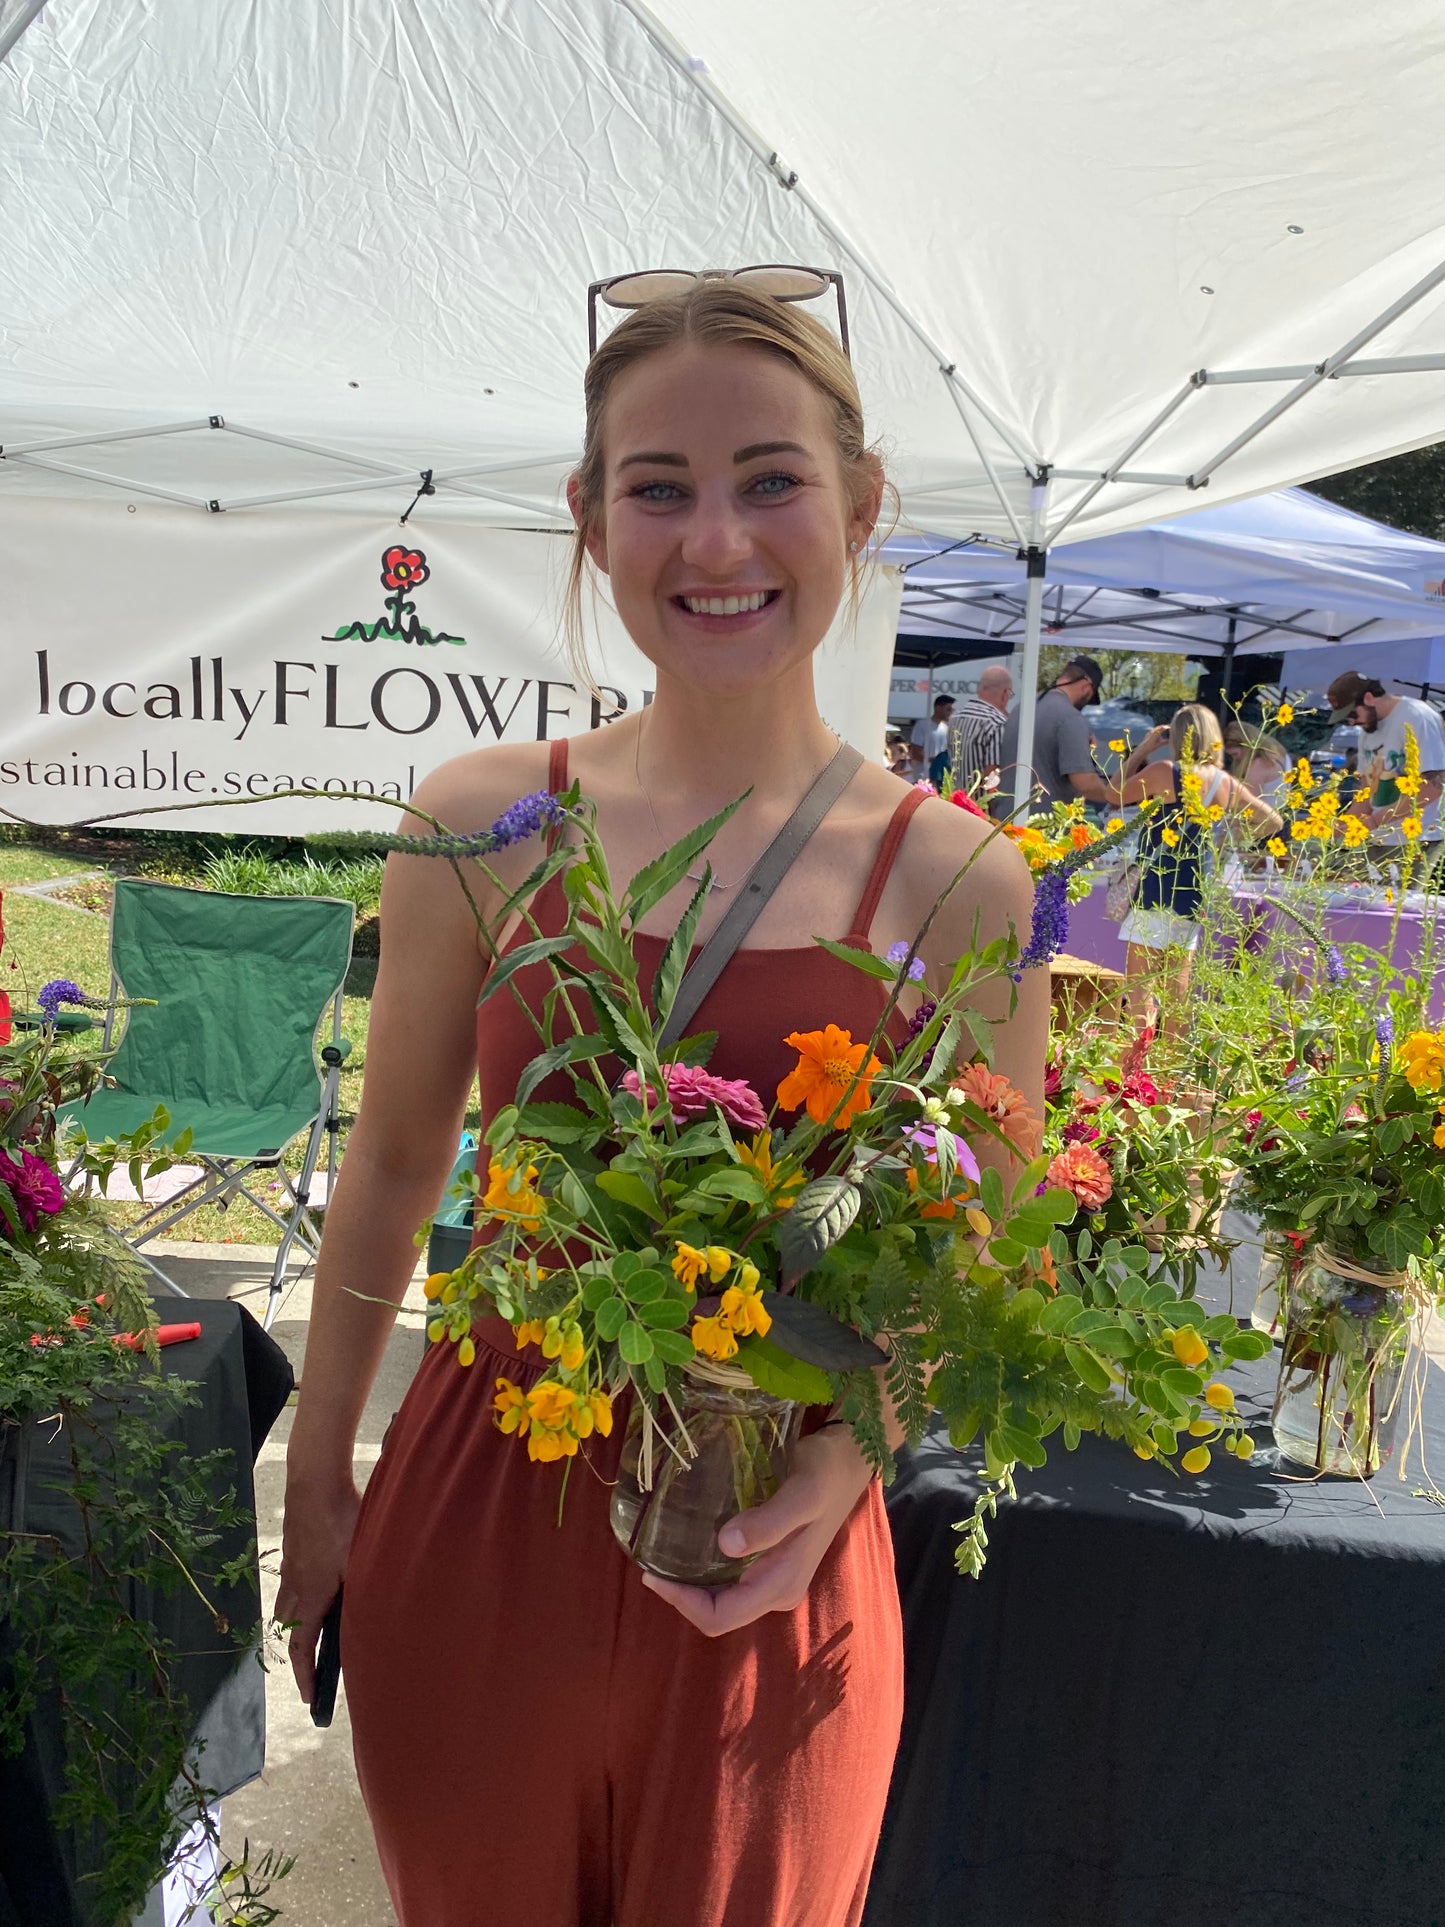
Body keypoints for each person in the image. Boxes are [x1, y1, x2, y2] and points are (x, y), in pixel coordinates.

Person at [275, 278, 1045, 1927]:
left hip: (772, 1551)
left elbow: (990, 1262)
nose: (715, 542)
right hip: (484, 1511)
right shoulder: (478, 823)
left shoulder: (963, 882)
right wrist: (322, 1478)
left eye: (769, 479)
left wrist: (848, 1456)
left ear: (860, 504)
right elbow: (399, 1160)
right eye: (659, 487)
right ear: (587, 516)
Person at [1117, 703, 1282, 1032]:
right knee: (1178, 990)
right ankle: (1172, 1064)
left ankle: (1137, 1066)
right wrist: (1228, 836)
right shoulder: (1225, 781)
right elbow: (1273, 820)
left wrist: (1142, 750)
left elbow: (1114, 793)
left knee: (1140, 989)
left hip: (1157, 884)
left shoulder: (1166, 770)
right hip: (1193, 889)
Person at [1327, 671, 1445, 859]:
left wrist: (1374, 821)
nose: (1352, 722)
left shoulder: (1417, 716)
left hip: (1417, 840)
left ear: (1369, 698)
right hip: (1379, 838)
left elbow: (1433, 787)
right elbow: (1366, 790)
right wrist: (1341, 826)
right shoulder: (1367, 731)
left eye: (1351, 713)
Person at [996, 654, 1113, 811]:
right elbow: (1085, 782)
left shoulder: (1021, 708)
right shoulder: (1070, 717)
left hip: (1006, 818)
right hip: (1043, 825)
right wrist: (1116, 796)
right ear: (1086, 686)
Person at [950, 663, 1013, 798]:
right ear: (1005, 694)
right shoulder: (996, 723)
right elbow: (991, 774)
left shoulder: (955, 718)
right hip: (981, 809)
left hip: (955, 802)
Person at [1223, 723, 1289, 806]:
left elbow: (1245, 805)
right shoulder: (1280, 754)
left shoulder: (1260, 765)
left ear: (1246, 746)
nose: (1234, 759)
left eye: (1235, 754)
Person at [909, 692, 955, 786]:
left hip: (939, 778)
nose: (950, 713)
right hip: (923, 777)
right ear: (938, 708)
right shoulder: (922, 725)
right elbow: (914, 752)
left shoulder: (946, 729)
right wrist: (935, 760)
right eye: (948, 709)